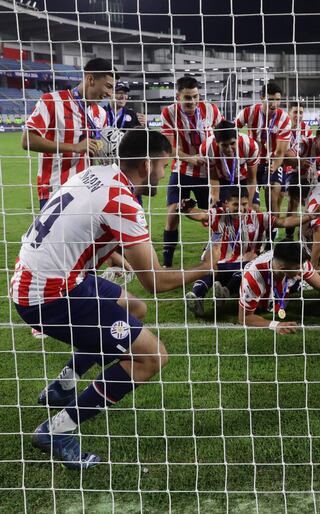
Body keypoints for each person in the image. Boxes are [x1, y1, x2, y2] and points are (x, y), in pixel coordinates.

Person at [19, 129, 221, 469]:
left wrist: (112, 254)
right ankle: (58, 429)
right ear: (147, 164)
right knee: (152, 357)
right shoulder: (123, 200)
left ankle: (63, 385)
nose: (165, 173)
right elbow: (155, 280)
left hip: (43, 276)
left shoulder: (97, 175)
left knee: (133, 305)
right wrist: (207, 267)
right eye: (164, 165)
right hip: (49, 295)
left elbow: (81, 226)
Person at [180, 191, 311, 316]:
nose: (240, 209)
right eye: (236, 205)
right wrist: (186, 208)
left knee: (244, 269)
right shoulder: (218, 214)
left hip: (244, 265)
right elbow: (200, 215)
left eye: (243, 204)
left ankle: (224, 293)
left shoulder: (258, 217)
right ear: (226, 204)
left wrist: (309, 217)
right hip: (220, 263)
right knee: (209, 270)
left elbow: (283, 222)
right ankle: (197, 298)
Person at [23, 57, 114, 208]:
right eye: (108, 86)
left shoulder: (101, 113)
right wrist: (74, 147)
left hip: (89, 189)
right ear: (90, 79)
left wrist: (107, 153)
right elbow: (27, 141)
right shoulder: (52, 101)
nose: (110, 94)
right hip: (56, 189)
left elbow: (96, 150)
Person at [160, 76, 223, 268]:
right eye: (188, 98)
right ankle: (167, 264)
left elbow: (221, 134)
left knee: (215, 216)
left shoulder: (211, 109)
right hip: (182, 170)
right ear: (178, 96)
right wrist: (191, 158)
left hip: (208, 173)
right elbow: (169, 149)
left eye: (195, 97)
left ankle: (217, 254)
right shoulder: (168, 113)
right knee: (172, 213)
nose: (192, 102)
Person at [238, 241, 320, 331]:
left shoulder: (299, 263)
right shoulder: (253, 277)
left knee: (302, 278)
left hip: (284, 277)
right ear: (283, 269)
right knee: (262, 306)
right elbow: (244, 318)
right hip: (261, 284)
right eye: (297, 268)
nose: (302, 269)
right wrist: (276, 325)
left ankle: (300, 282)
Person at [236, 82, 292, 216]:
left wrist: (274, 166)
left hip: (272, 161)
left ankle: (272, 231)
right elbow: (233, 131)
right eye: (270, 99)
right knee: (253, 207)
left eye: (277, 100)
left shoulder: (284, 119)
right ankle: (256, 229)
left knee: (273, 192)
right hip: (251, 162)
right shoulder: (248, 112)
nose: (274, 104)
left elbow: (280, 152)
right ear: (262, 98)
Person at [200, 120, 259, 208]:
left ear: (238, 138)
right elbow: (213, 177)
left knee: (254, 209)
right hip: (222, 181)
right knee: (217, 212)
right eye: (224, 145)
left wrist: (248, 207)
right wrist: (215, 199)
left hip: (244, 179)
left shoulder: (250, 146)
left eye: (232, 143)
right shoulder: (207, 148)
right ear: (216, 142)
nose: (229, 149)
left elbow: (252, 179)